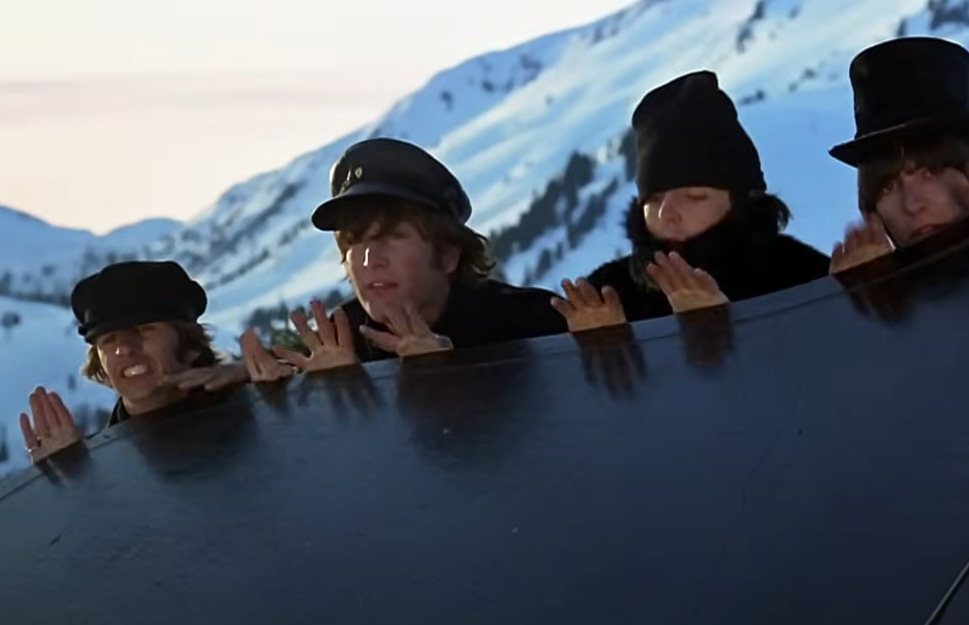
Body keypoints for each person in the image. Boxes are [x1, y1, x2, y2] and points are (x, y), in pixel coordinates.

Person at [242, 137, 569, 381]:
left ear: (448, 254)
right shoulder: (337, 343)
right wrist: (289, 393)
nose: (370, 259)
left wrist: (451, 376)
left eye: (393, 236)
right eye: (355, 242)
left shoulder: (536, 324)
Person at [553, 70, 830, 332]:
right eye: (654, 198)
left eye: (694, 197)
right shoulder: (607, 296)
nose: (667, 212)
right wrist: (603, 346)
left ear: (740, 203)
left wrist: (719, 328)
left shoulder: (806, 280)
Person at [19, 260, 246, 463]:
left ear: (191, 345)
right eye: (108, 339)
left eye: (143, 329)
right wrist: (75, 483)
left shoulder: (251, 413)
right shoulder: (101, 464)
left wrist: (263, 377)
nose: (123, 349)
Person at [828, 36, 969, 273]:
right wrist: (869, 289)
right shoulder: (874, 288)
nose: (912, 205)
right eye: (888, 186)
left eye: (930, 172)